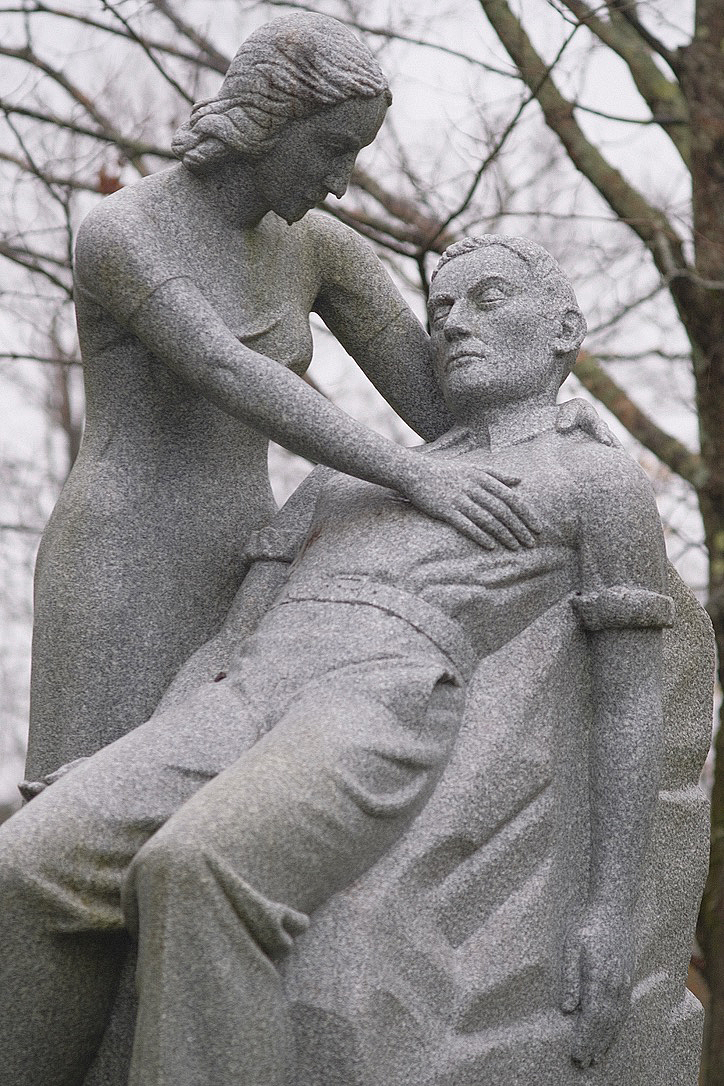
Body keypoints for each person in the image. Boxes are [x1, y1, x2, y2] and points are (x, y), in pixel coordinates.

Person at [1, 235, 672, 1085]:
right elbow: (226, 646)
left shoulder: (594, 481)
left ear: (562, 328)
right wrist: (129, 754)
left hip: (375, 700)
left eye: (487, 299)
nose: (453, 324)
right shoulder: (348, 480)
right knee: (26, 864)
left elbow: (629, 691)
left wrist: (612, 913)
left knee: (200, 865)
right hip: (240, 695)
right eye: (441, 309)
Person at [27, 13, 543, 779]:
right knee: (79, 810)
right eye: (333, 149)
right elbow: (229, 371)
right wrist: (408, 473)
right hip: (125, 553)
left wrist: (544, 418)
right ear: (271, 121)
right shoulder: (123, 231)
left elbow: (438, 405)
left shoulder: (319, 247)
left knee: (209, 809)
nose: (339, 180)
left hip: (252, 558)